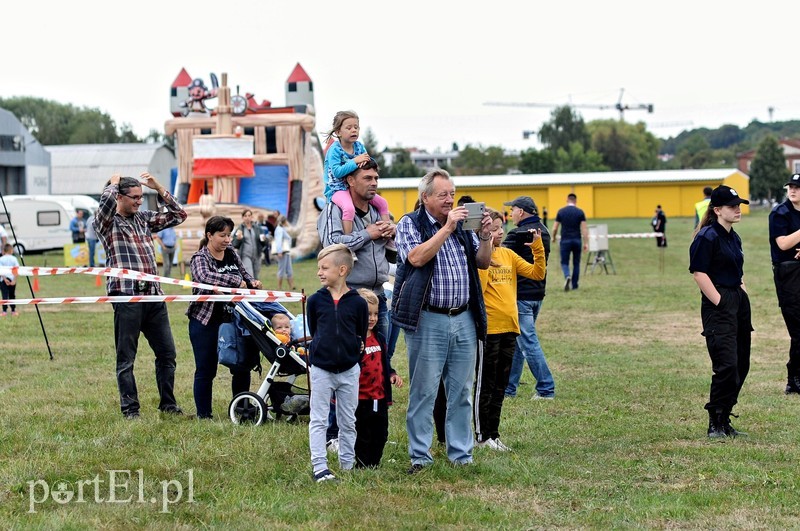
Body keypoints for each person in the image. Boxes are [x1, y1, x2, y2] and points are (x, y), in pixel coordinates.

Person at [393, 169, 492, 473]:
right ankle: (420, 457)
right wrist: (447, 228)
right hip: (428, 318)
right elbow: (416, 258)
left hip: (463, 316)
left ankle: (461, 455)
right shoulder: (410, 223)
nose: (450, 200)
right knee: (424, 391)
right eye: (443, 195)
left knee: (461, 391)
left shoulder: (461, 226)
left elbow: (483, 261)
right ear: (425, 198)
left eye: (452, 194)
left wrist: (485, 237)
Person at [93, 172, 187, 419]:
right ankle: (130, 409)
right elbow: (103, 208)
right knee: (126, 359)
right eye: (134, 197)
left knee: (167, 354)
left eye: (141, 197)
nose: (139, 201)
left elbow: (179, 215)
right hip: (127, 298)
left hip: (154, 298)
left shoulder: (144, 219)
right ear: (119, 197)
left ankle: (168, 405)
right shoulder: (107, 223)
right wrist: (113, 184)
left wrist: (159, 188)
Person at [475, 209, 545, 450]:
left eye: (500, 228)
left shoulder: (508, 254)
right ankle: (481, 436)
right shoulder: (479, 258)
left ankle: (493, 435)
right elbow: (480, 290)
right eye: (493, 229)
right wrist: (485, 262)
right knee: (486, 384)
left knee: (501, 385)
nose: (499, 232)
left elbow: (537, 273)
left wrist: (537, 248)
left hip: (510, 327)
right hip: (490, 330)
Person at [689, 185, 751, 438]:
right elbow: (699, 273)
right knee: (726, 366)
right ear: (717, 210)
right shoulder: (707, 237)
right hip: (719, 305)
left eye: (739, 205)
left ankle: (725, 418)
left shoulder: (734, 237)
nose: (737, 209)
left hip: (738, 301)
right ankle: (715, 422)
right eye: (732, 206)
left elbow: (738, 272)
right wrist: (720, 301)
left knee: (741, 364)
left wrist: (743, 296)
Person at [186, 216, 262, 420]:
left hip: (234, 320)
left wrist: (252, 282)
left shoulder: (231, 253)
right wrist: (235, 281)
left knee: (241, 366)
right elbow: (204, 278)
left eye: (229, 235)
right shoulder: (199, 258)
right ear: (209, 235)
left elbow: (244, 275)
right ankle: (204, 415)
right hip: (205, 321)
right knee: (206, 368)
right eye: (222, 235)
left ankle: (242, 410)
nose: (227, 240)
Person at [307, 243, 368, 483]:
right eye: (318, 268)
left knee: (348, 420)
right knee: (319, 419)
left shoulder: (358, 303)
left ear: (342, 270)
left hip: (349, 371)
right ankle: (320, 467)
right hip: (321, 370)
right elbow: (315, 330)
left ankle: (347, 464)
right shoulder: (315, 301)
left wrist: (352, 355)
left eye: (324, 268)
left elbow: (360, 334)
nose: (319, 272)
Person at [502, 196, 556, 399]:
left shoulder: (517, 234)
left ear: (521, 212)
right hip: (537, 294)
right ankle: (509, 388)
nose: (510, 214)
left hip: (521, 295)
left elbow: (498, 255)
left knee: (527, 342)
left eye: (512, 210)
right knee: (518, 342)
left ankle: (545, 388)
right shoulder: (544, 230)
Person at [323, 111, 392, 241]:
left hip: (354, 187)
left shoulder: (359, 147)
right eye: (349, 128)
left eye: (356, 127)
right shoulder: (334, 150)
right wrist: (355, 161)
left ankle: (387, 235)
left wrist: (367, 162)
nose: (353, 130)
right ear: (338, 132)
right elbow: (337, 172)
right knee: (348, 208)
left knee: (382, 203)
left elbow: (367, 163)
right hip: (337, 189)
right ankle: (349, 240)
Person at [354, 288, 403, 468]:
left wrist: (392, 374)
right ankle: (362, 464)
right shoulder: (353, 340)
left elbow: (384, 362)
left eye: (375, 314)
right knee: (363, 433)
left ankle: (375, 463)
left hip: (380, 397)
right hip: (360, 398)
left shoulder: (379, 338)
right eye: (368, 314)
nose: (372, 318)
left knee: (381, 433)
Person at [768, 173, 800, 394]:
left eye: (797, 187)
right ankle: (793, 379)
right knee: (798, 329)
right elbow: (783, 244)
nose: (793, 190)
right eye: (790, 186)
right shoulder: (780, 213)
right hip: (788, 274)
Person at [551, 193, 588, 291]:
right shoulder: (580, 212)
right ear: (576, 201)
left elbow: (555, 228)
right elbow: (584, 229)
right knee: (576, 263)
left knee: (564, 262)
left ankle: (567, 275)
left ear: (567, 200)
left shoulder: (561, 211)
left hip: (565, 240)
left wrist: (553, 238)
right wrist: (586, 243)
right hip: (577, 240)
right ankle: (574, 285)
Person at [232, 209, 265, 280]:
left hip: (257, 255)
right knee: (250, 274)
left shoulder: (257, 228)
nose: (247, 217)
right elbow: (234, 244)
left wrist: (264, 239)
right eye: (245, 216)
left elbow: (263, 241)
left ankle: (254, 287)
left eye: (249, 215)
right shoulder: (240, 229)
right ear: (243, 217)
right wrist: (238, 239)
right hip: (245, 255)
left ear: (251, 217)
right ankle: (250, 285)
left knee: (256, 275)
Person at [274, 215, 295, 291]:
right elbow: (278, 241)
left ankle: (291, 286)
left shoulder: (282, 229)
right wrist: (279, 251)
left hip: (286, 251)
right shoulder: (279, 229)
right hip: (282, 252)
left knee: (289, 269)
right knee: (281, 269)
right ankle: (279, 287)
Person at [0, 243, 20, 316]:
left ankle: (4, 311)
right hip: (12, 279)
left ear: (4, 250)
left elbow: (0, 270)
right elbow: (17, 269)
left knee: (4, 295)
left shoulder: (1, 259)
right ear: (11, 250)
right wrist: (14, 280)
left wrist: (4, 279)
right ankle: (13, 311)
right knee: (12, 295)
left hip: (3, 280)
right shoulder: (14, 259)